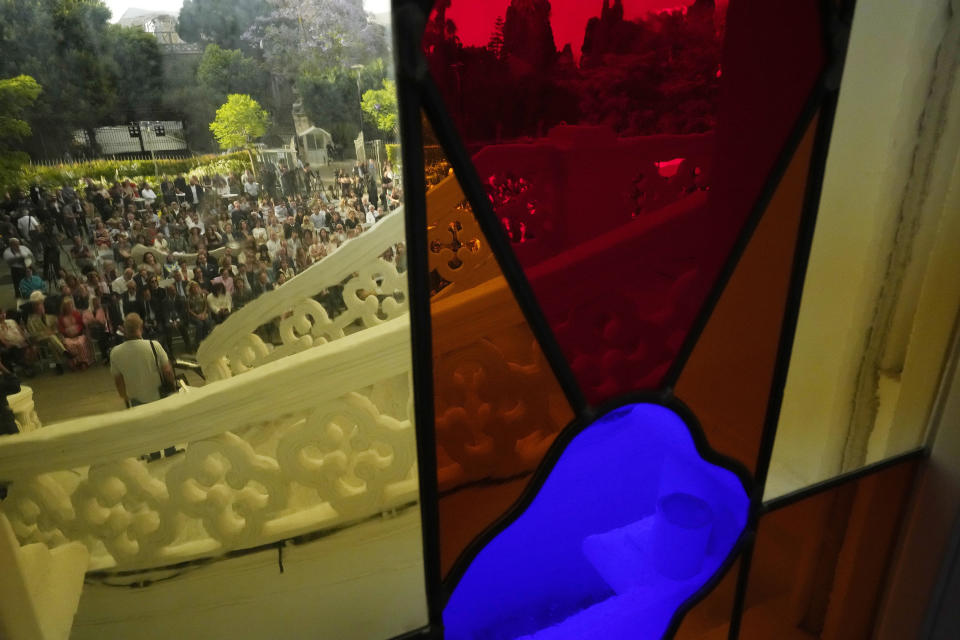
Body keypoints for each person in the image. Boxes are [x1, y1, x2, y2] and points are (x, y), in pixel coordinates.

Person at [111, 313, 175, 408]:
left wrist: (125, 398)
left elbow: (118, 381)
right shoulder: (154, 345)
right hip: (158, 396)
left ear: (124, 330)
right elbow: (167, 371)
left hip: (135, 399)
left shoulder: (115, 352)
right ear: (141, 327)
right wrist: (173, 387)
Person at [57, 298, 94, 369]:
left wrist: (76, 329)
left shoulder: (76, 314)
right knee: (68, 344)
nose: (70, 307)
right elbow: (60, 329)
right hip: (68, 337)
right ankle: (75, 363)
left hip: (79, 335)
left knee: (80, 343)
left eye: (71, 305)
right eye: (68, 306)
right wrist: (67, 331)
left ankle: (84, 362)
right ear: (64, 307)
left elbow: (81, 324)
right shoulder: (61, 317)